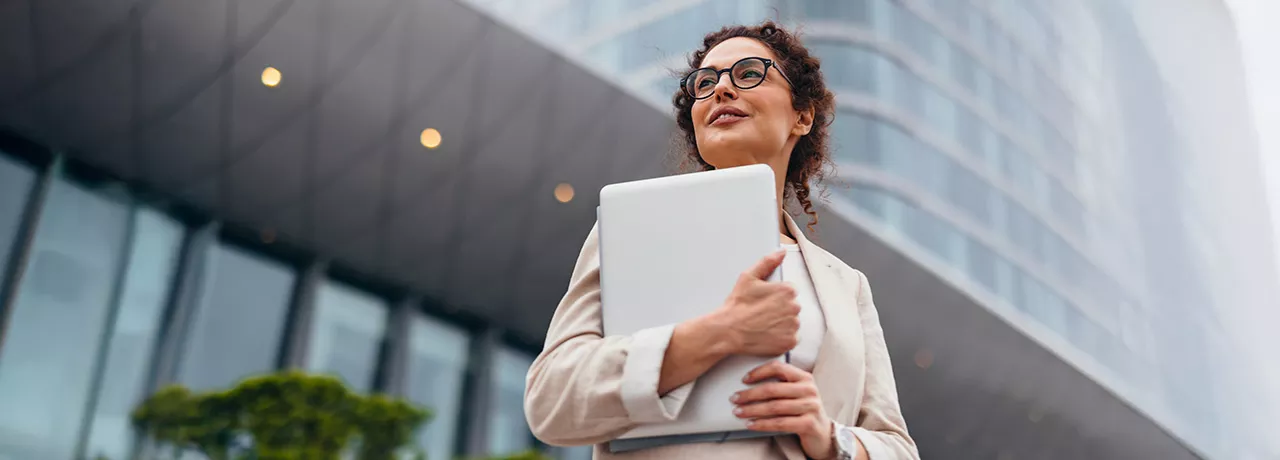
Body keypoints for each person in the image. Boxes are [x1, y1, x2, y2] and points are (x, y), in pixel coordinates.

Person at [524, 21, 919, 460]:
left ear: (802, 116)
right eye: (705, 82)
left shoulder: (847, 285)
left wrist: (828, 436)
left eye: (749, 73)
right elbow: (550, 400)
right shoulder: (634, 230)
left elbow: (897, 447)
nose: (721, 90)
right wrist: (718, 333)